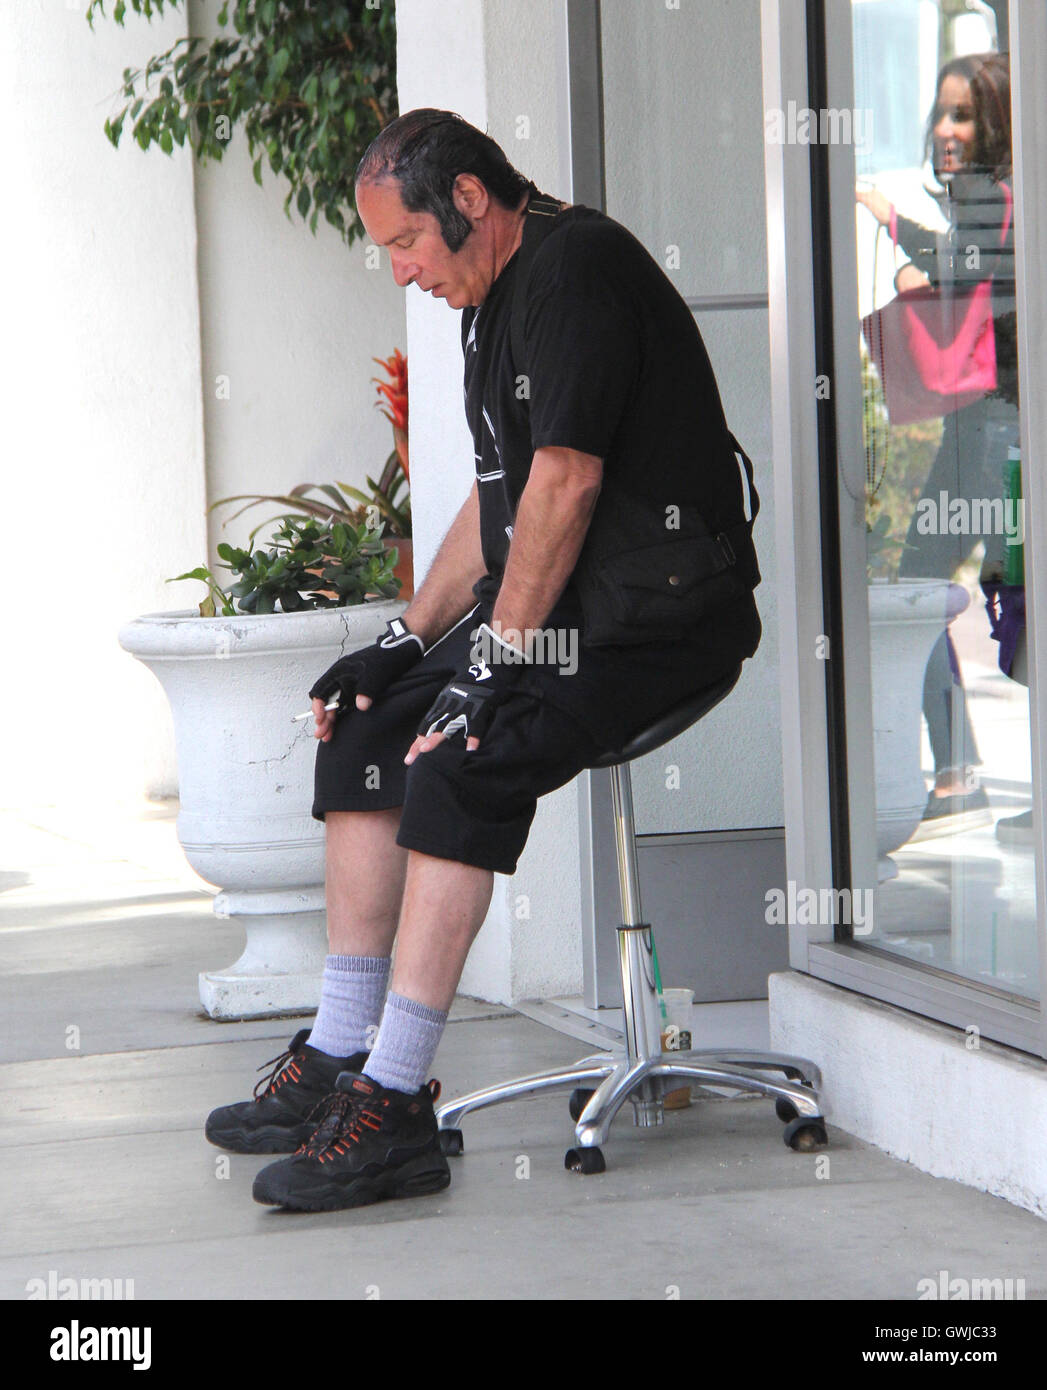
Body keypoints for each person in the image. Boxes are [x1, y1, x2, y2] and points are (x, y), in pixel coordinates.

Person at [205, 109, 761, 1212]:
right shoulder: (490, 301)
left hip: (659, 621)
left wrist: (487, 669)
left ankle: (397, 1108)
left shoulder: (575, 274)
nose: (403, 272)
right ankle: (341, 1051)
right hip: (562, 607)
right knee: (369, 721)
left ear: (468, 199)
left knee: (464, 749)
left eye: (406, 242)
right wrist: (407, 642)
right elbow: (499, 505)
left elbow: (565, 485)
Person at [857, 51, 1017, 840]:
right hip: (989, 424)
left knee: (919, 588)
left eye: (965, 115)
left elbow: (976, 264)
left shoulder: (994, 197)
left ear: (996, 123)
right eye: (942, 114)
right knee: (987, 595)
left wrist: (885, 213)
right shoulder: (990, 199)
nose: (947, 131)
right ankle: (958, 769)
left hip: (991, 428)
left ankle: (957, 769)